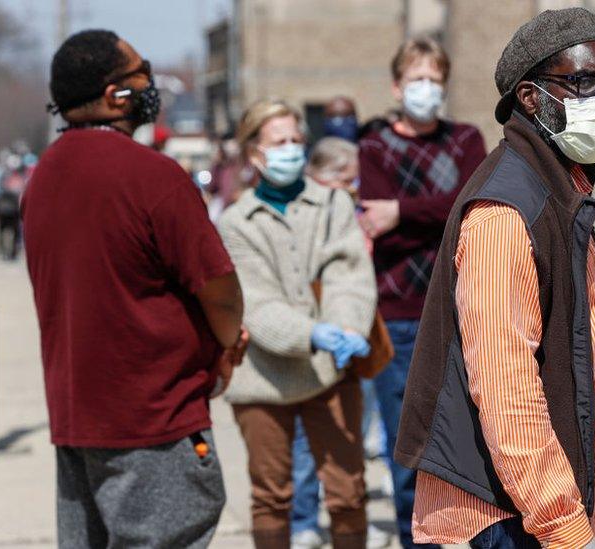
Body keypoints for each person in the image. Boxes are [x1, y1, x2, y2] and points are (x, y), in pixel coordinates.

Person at [394, 8, 595, 549]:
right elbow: (506, 389)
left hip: (542, 508)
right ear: (530, 98)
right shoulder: (506, 212)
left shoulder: (561, 191)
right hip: (508, 516)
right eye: (585, 82)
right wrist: (564, 525)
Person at [22, 29, 247, 548]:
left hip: (77, 421)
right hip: (155, 423)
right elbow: (220, 289)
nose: (151, 85)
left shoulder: (42, 177)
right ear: (114, 95)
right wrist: (228, 344)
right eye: (140, 74)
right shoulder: (153, 177)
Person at [217, 99, 376, 549]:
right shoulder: (235, 222)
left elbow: (349, 275)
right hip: (263, 377)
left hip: (331, 369)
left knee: (348, 492)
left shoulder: (331, 204)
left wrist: (345, 327)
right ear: (254, 155)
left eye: (295, 140)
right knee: (271, 495)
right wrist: (311, 333)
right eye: (278, 142)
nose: (290, 150)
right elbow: (255, 301)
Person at [357, 36, 487, 549]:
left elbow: (471, 201)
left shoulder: (465, 140)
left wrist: (405, 212)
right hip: (401, 315)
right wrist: (441, 212)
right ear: (396, 86)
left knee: (470, 439)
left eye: (435, 80)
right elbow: (375, 218)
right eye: (417, 80)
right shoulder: (373, 148)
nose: (426, 90)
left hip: (463, 309)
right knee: (406, 446)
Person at [287, 137, 392, 549]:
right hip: (313, 335)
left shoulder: (352, 211)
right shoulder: (304, 212)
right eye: (348, 180)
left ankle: (347, 516)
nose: (354, 188)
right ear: (324, 177)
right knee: (303, 438)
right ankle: (303, 520)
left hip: (356, 335)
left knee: (352, 431)